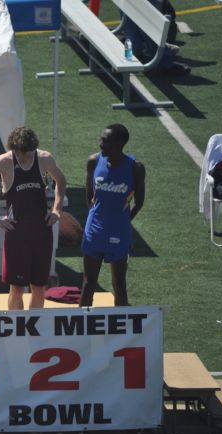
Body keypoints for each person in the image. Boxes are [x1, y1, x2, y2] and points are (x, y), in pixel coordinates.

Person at [0, 126, 66, 310]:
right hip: (17, 235)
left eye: (29, 152)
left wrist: (56, 210)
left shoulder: (44, 158)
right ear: (13, 149)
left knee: (39, 288)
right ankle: (16, 332)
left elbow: (61, 180)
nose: (26, 156)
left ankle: (35, 332)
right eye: (22, 152)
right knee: (16, 289)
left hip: (41, 233)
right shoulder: (4, 162)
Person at [79, 124, 145, 307]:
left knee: (119, 284)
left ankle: (121, 331)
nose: (100, 144)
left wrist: (123, 221)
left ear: (119, 143)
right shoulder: (93, 162)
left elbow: (139, 202)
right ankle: (82, 327)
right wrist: (95, 217)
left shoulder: (135, 168)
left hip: (119, 233)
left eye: (105, 141)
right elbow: (89, 195)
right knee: (88, 282)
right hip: (94, 232)